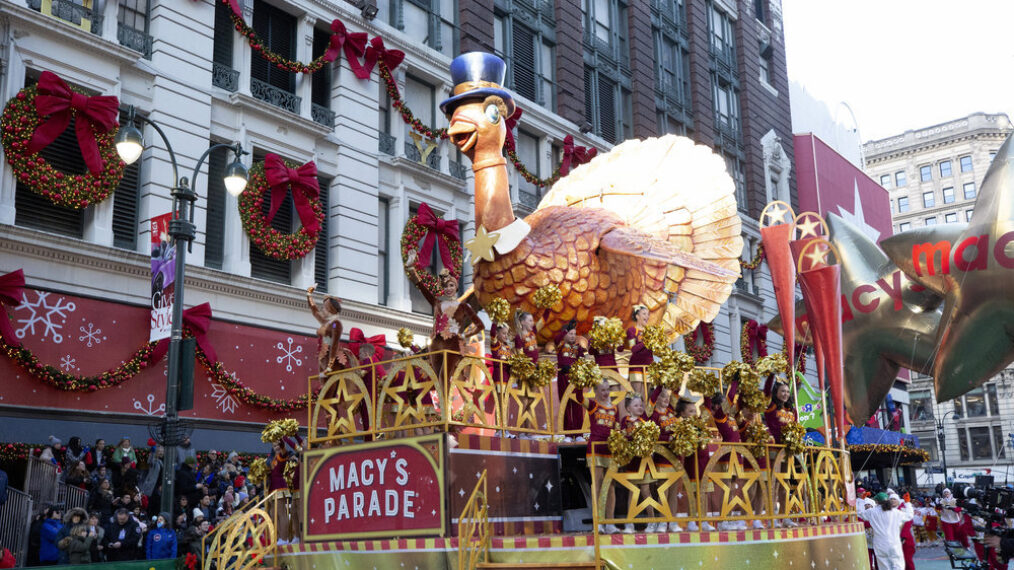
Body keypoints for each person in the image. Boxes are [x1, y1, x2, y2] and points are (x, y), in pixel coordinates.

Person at [584, 379, 620, 534]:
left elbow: (617, 428)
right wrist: (579, 380)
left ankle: (610, 523)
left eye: (608, 389)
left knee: (610, 487)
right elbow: (579, 397)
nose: (606, 393)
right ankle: (598, 523)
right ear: (596, 391)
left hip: (610, 450)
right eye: (603, 390)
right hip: (595, 449)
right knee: (597, 486)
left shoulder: (615, 408)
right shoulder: (592, 405)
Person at [618, 393, 656, 533]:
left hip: (643, 461)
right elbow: (623, 436)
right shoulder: (625, 420)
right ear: (628, 408)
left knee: (646, 491)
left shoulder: (644, 419)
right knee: (632, 492)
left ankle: (652, 522)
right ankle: (630, 523)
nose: (639, 407)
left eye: (641, 405)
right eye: (636, 405)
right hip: (632, 462)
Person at [858, 492, 914, 570]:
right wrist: (907, 503)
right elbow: (909, 515)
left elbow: (859, 513)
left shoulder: (871, 512)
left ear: (876, 502)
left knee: (884, 567)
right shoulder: (895, 512)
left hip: (880, 544)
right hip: (894, 543)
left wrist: (862, 500)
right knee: (898, 566)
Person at [551, 320, 587, 439]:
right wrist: (566, 329)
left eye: (574, 334)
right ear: (565, 334)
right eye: (570, 333)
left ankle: (578, 434)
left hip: (576, 379)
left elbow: (583, 361)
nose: (573, 336)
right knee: (565, 405)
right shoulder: (560, 346)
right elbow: (556, 340)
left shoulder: (578, 347)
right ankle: (568, 434)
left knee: (577, 405)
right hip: (563, 378)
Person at [307, 283, 348, 374]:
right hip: (322, 356)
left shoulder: (335, 324)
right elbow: (314, 310)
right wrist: (309, 294)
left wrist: (330, 365)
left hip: (329, 357)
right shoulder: (326, 322)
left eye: (325, 308)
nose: (322, 310)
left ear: (330, 310)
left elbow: (334, 344)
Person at [625, 305, 653, 400]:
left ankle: (646, 415)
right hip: (636, 366)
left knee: (648, 398)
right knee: (638, 396)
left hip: (649, 366)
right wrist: (646, 342)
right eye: (644, 314)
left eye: (648, 314)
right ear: (637, 316)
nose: (647, 316)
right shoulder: (631, 330)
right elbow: (633, 349)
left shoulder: (651, 331)